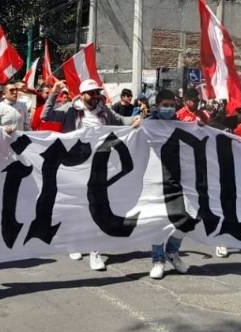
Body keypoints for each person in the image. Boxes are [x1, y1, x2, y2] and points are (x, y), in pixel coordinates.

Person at [41, 78, 139, 270]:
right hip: (77, 163)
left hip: (100, 162)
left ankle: (95, 250)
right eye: (91, 93)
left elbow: (120, 121)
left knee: (97, 203)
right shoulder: (71, 108)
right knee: (77, 203)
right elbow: (46, 115)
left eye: (97, 92)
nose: (95, 96)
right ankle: (75, 243)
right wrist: (53, 92)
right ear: (82, 94)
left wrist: (134, 121)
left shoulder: (104, 110)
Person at [147, 89, 190, 279]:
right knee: (158, 222)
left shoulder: (180, 125)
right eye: (165, 105)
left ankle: (172, 252)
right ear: (157, 106)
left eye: (172, 105)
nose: (169, 108)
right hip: (153, 180)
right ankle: (158, 259)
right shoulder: (147, 124)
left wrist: (203, 127)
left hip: (177, 180)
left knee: (188, 220)